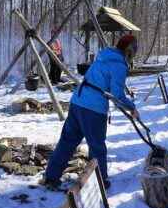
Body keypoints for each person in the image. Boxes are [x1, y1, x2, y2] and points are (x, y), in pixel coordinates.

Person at [43, 35, 139, 190]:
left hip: (78, 101)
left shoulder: (104, 56)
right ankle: (100, 181)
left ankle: (51, 177)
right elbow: (117, 95)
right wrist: (132, 107)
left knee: (67, 142)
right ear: (129, 51)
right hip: (93, 109)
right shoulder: (119, 65)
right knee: (97, 146)